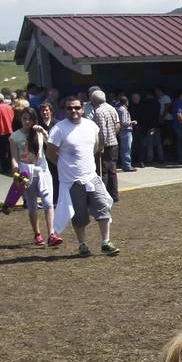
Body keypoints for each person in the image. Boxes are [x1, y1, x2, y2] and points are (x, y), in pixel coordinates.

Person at [47, 97, 118, 257]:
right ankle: (83, 244)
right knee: (79, 215)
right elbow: (50, 153)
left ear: (82, 109)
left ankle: (106, 242)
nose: (73, 111)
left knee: (103, 208)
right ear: (65, 110)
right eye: (69, 108)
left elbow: (95, 147)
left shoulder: (91, 126)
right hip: (72, 181)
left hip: (91, 177)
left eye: (77, 107)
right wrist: (64, 166)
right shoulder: (58, 129)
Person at [10, 107, 61, 247]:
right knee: (32, 205)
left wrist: (44, 132)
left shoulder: (38, 133)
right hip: (26, 172)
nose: (27, 121)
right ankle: (37, 234)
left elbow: (51, 145)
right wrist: (15, 172)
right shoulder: (15, 136)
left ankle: (52, 234)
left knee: (48, 202)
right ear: (20, 119)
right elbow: (14, 157)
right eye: (24, 118)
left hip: (43, 171)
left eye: (30, 119)